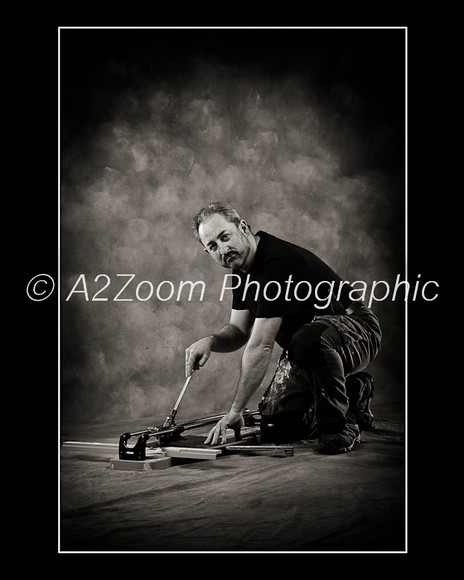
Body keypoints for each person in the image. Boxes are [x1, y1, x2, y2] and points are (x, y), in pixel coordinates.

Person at [185, 201, 382, 454]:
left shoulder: (276, 264)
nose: (223, 249)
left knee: (307, 340)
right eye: (213, 246)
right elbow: (239, 330)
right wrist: (210, 341)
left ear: (242, 227)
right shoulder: (241, 270)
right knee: (277, 426)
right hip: (310, 348)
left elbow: (261, 345)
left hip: (357, 329)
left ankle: (339, 425)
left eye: (225, 237)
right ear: (207, 252)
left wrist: (235, 411)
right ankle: (354, 393)